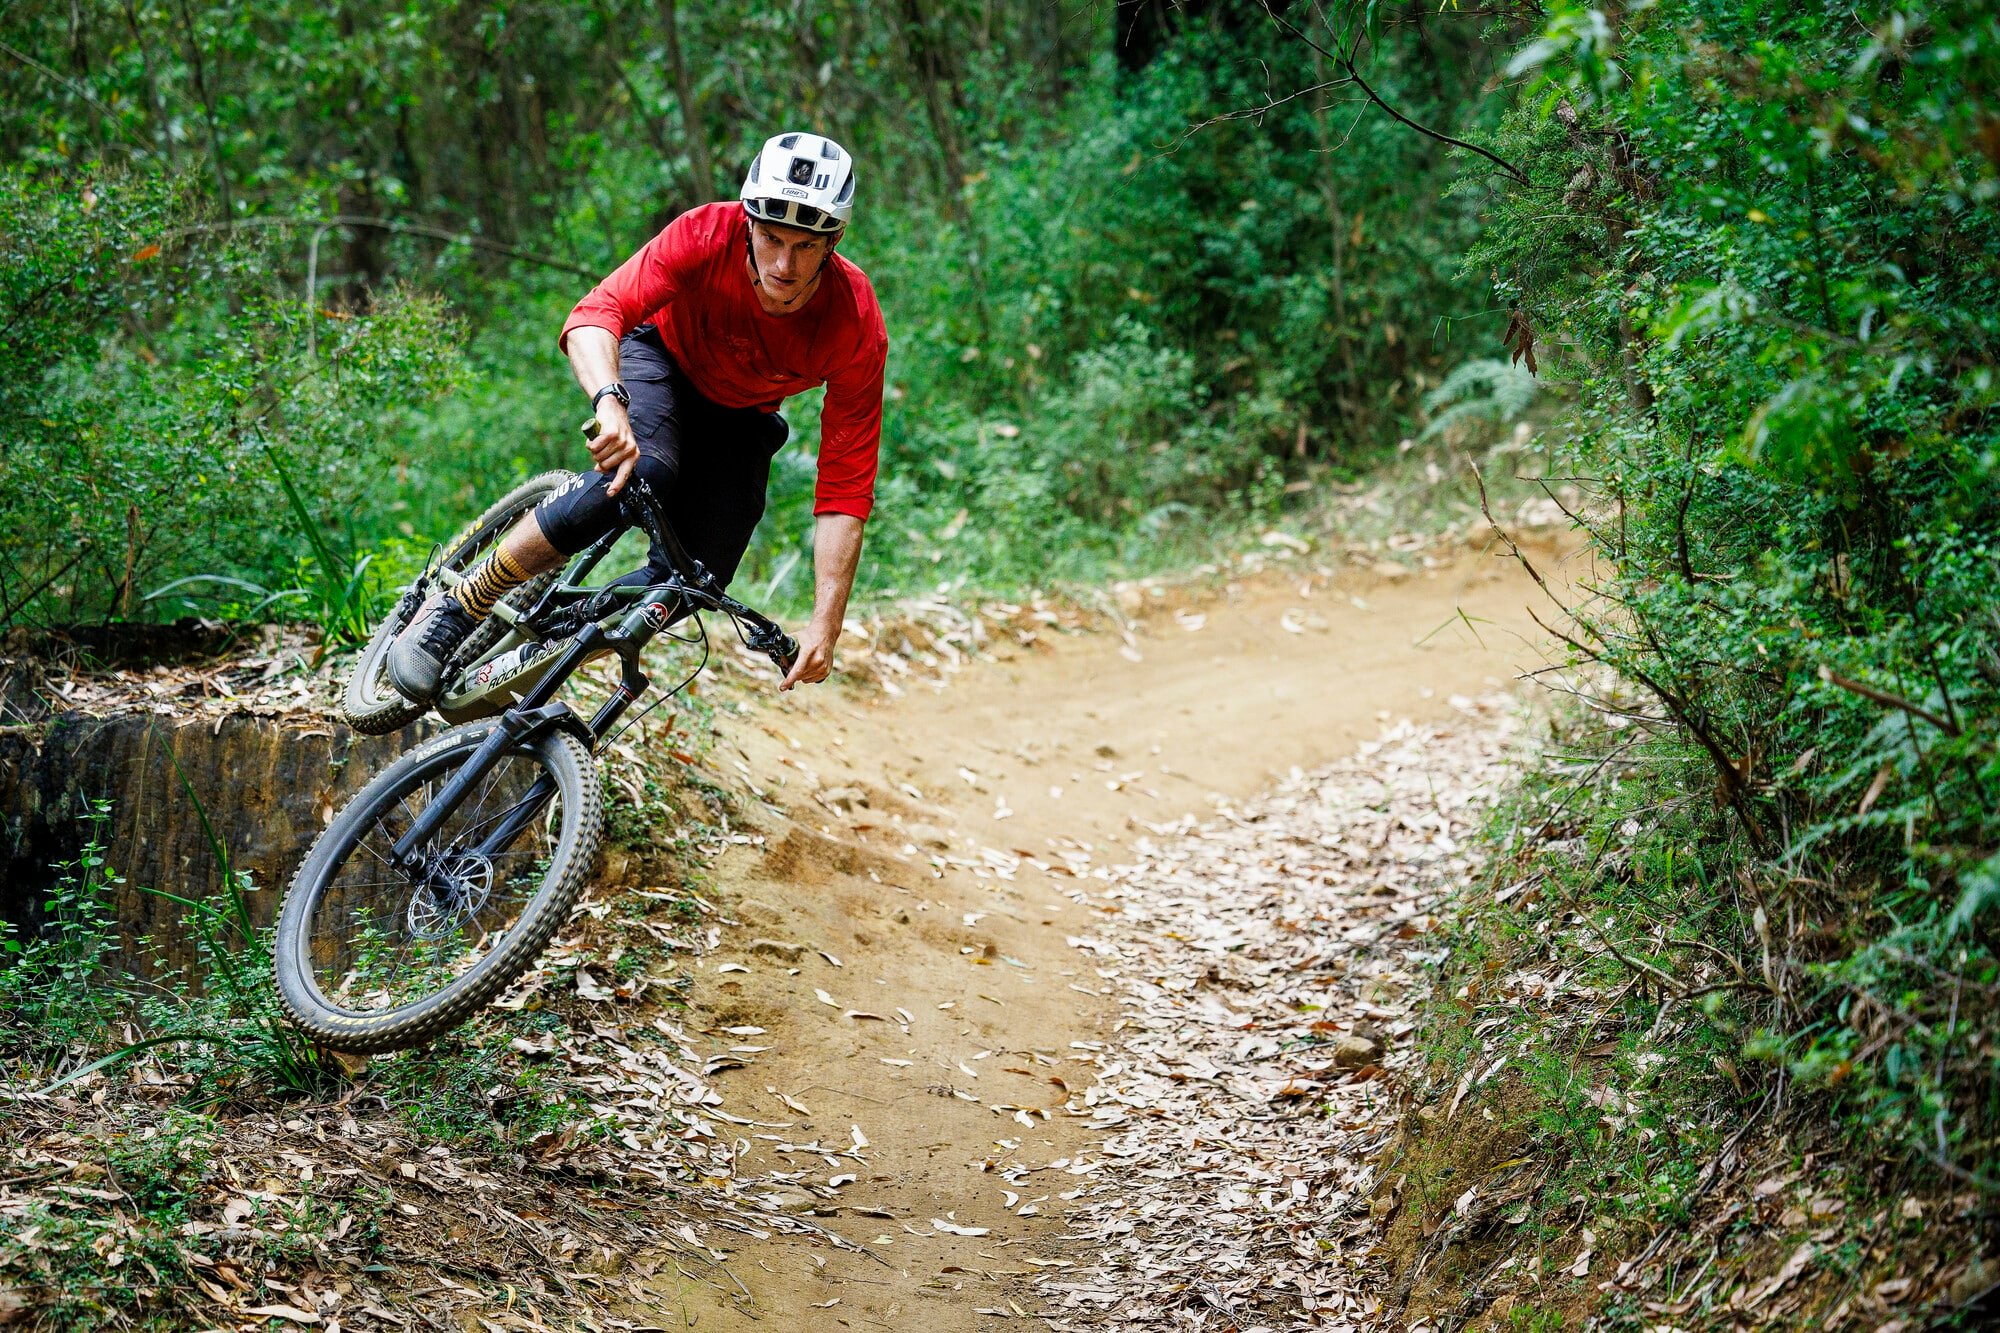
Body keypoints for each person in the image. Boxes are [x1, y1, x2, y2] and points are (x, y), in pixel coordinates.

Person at [386, 131, 887, 701]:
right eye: (770, 238)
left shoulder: (854, 320)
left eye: (804, 246)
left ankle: (555, 642)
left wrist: (827, 622)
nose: (782, 263)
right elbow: (598, 313)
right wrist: (609, 400)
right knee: (640, 471)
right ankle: (457, 607)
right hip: (662, 361)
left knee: (695, 581)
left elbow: (845, 487)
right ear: (747, 221)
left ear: (834, 240)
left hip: (744, 414)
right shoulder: (705, 233)